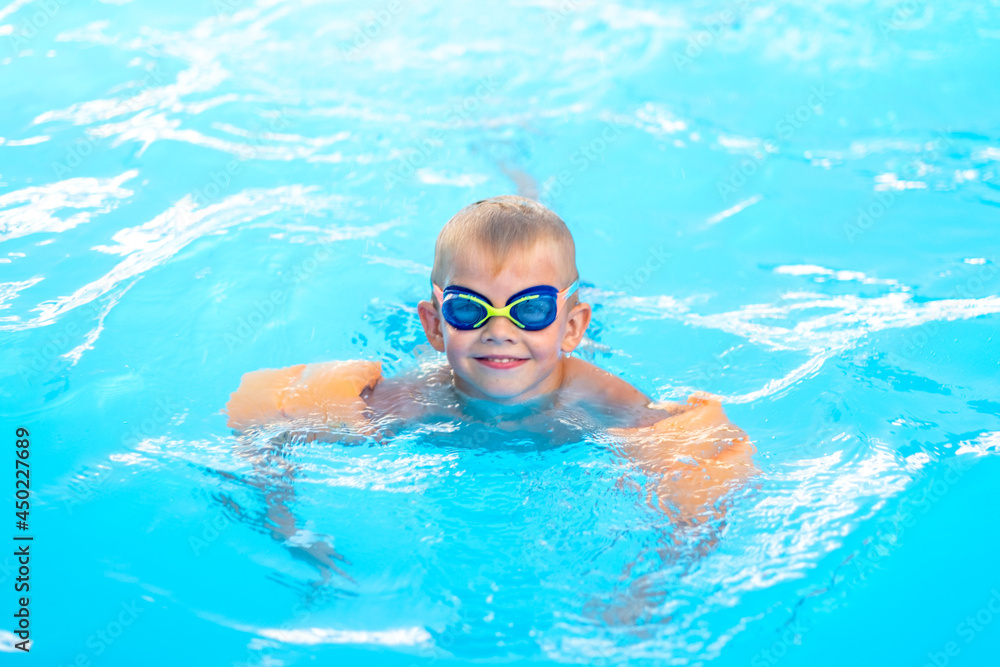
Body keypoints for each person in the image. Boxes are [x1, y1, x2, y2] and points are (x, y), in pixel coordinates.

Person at [225, 195, 756, 523]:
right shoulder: (419, 396)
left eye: (530, 308)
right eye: (467, 308)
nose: (498, 331)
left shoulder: (598, 398)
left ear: (570, 325)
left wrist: (649, 579)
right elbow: (266, 430)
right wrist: (288, 520)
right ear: (435, 326)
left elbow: (700, 480)